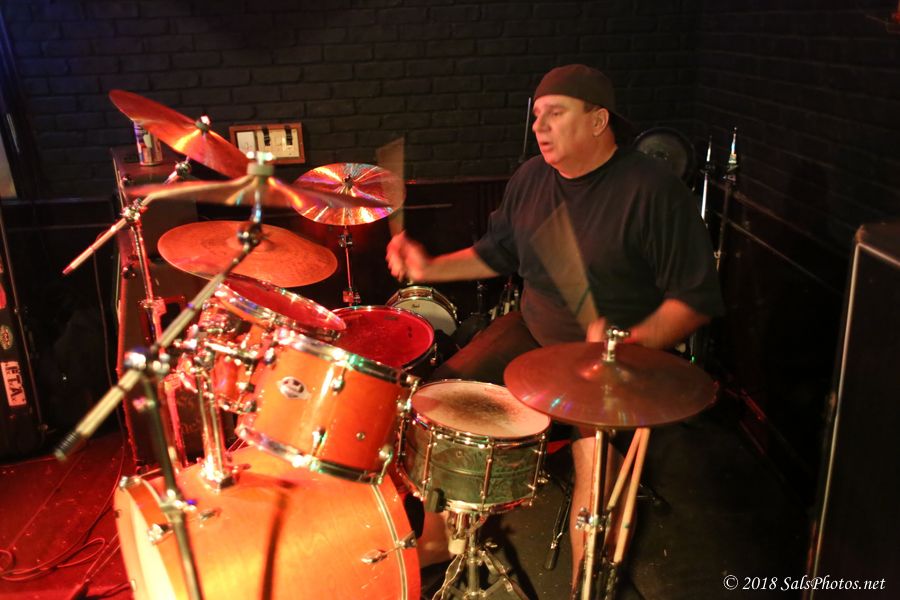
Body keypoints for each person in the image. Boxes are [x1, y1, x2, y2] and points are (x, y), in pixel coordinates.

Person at [386, 64, 724, 586]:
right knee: (438, 398)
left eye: (556, 113)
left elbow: (695, 299)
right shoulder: (531, 179)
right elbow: (496, 252)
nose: (539, 126)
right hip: (533, 330)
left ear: (598, 121)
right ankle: (434, 540)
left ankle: (587, 584)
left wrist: (631, 341)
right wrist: (430, 268)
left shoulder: (653, 190)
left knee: (597, 481)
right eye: (537, 115)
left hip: (612, 356)